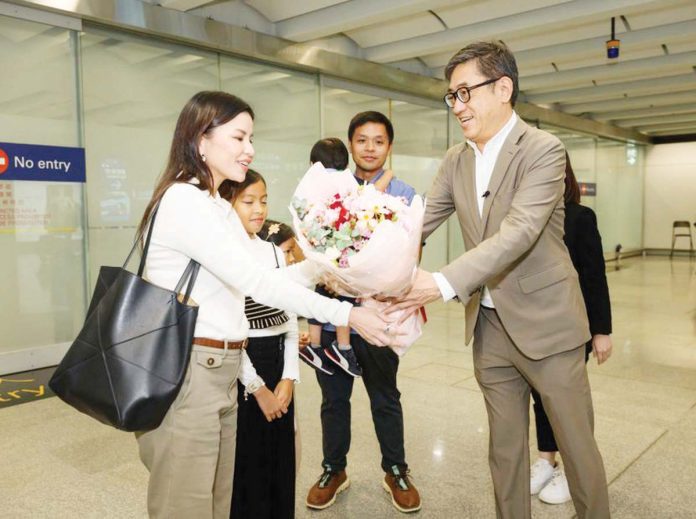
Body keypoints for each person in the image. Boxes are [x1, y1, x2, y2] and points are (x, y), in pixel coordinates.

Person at [133, 90, 392, 519]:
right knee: (187, 507)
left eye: (251, 137)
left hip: (223, 371)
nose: (249, 149)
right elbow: (255, 282)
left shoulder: (216, 205)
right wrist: (348, 314)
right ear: (201, 140)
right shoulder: (184, 201)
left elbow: (264, 281)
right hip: (190, 371)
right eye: (238, 137)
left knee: (219, 505)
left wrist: (322, 265)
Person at [387, 42, 610, 519]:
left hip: (549, 326)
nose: (458, 107)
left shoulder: (543, 149)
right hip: (489, 331)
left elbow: (519, 233)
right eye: (452, 96)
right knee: (504, 455)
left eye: (466, 92)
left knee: (577, 451)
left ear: (504, 88)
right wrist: (356, 256)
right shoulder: (456, 160)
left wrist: (443, 282)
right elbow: (416, 224)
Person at [305, 112, 421, 514]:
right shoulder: (329, 187)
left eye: (378, 141)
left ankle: (396, 469)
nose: (369, 148)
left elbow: (410, 254)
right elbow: (312, 242)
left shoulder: (405, 194)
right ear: (351, 145)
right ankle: (333, 469)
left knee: (385, 396)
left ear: (390, 146)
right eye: (361, 140)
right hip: (333, 310)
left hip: (379, 311)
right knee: (333, 398)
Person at [530, 153, 613, 504]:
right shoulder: (526, 217)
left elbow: (594, 277)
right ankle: (546, 459)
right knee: (540, 396)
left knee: (568, 403)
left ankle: (573, 466)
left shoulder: (580, 218)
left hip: (569, 326)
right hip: (531, 325)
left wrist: (602, 331)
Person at [223, 169, 299, 519]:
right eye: (248, 201)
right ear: (228, 203)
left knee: (280, 462)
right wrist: (258, 388)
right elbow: (229, 329)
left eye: (264, 200)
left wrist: (288, 379)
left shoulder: (274, 253)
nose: (259, 209)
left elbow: (291, 321)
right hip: (241, 369)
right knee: (247, 466)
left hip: (278, 362)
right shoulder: (222, 254)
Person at [301, 136, 394, 378]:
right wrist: (389, 174)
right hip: (341, 254)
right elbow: (368, 198)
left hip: (319, 252)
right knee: (344, 299)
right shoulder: (346, 181)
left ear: (312, 163)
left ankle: (314, 346)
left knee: (319, 295)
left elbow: (302, 212)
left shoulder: (310, 181)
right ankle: (342, 348)